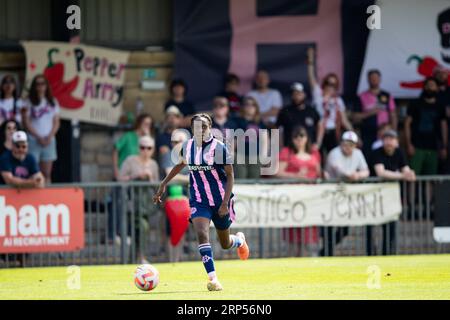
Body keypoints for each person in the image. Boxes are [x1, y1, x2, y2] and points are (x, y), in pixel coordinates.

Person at [153, 113, 250, 291]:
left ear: (210, 127)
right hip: (199, 199)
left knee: (225, 243)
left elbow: (230, 175)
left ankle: (239, 240)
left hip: (220, 200)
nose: (200, 130)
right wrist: (164, 183)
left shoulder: (219, 148)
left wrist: (224, 203)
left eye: (204, 126)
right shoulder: (188, 146)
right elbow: (180, 164)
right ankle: (213, 280)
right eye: (196, 127)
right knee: (201, 233)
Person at [368, 129, 416, 256]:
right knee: (370, 228)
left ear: (397, 142)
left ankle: (388, 254)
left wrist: (410, 173)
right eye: (386, 139)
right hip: (373, 196)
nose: (389, 142)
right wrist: (402, 176)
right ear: (382, 141)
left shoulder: (400, 152)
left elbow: (406, 169)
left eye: (392, 139)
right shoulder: (376, 153)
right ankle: (369, 254)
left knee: (390, 227)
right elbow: (381, 172)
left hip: (390, 198)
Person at [322, 131, 369, 257]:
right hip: (331, 194)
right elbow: (338, 169)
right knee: (329, 226)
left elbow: (366, 171)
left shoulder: (358, 154)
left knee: (344, 229)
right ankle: (327, 252)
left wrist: (358, 175)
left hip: (345, 195)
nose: (347, 147)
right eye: (345, 144)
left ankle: (325, 250)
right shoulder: (334, 153)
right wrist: (351, 175)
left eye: (350, 145)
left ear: (355, 146)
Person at [110, 113, 154, 245]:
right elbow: (115, 150)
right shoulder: (129, 136)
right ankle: (113, 234)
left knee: (134, 208)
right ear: (139, 123)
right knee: (117, 205)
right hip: (123, 177)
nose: (147, 126)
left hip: (137, 181)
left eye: (149, 124)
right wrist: (116, 171)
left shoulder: (147, 140)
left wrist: (147, 136)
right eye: (145, 123)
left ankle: (128, 235)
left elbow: (151, 153)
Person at [276, 126, 321, 257]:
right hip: (293, 197)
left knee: (309, 231)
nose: (299, 139)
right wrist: (296, 176)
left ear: (307, 138)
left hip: (310, 197)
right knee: (293, 232)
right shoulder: (287, 152)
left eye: (302, 136)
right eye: (296, 136)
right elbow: (279, 173)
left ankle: (310, 259)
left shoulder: (314, 152)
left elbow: (319, 172)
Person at [118, 135, 160, 264]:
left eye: (149, 148)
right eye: (143, 147)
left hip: (146, 204)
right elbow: (121, 179)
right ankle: (140, 257)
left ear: (152, 150)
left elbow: (156, 185)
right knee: (141, 227)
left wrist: (150, 177)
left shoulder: (153, 164)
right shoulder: (130, 160)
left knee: (141, 230)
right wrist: (136, 176)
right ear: (138, 148)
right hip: (131, 202)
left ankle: (133, 259)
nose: (145, 151)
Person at [307, 47, 353, 156]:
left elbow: (344, 120)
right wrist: (310, 59)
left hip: (332, 131)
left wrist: (353, 133)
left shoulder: (338, 100)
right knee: (317, 154)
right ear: (324, 83)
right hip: (318, 129)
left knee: (334, 155)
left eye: (334, 84)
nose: (330, 86)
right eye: (328, 83)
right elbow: (311, 76)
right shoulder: (318, 93)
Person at [404, 77, 448, 175]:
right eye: (428, 85)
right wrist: (409, 144)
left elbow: (443, 126)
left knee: (431, 178)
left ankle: (428, 192)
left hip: (434, 147)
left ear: (437, 88)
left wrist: (444, 147)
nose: (430, 88)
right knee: (412, 175)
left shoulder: (440, 106)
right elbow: (407, 124)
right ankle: (411, 192)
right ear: (424, 87)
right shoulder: (415, 103)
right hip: (417, 146)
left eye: (432, 86)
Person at [21, 75, 60, 183]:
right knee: (34, 171)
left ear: (47, 85)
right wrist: (38, 137)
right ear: (34, 86)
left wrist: (50, 136)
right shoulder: (28, 102)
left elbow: (56, 122)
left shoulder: (53, 102)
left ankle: (48, 196)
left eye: (43, 83)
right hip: (34, 140)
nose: (40, 86)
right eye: (38, 84)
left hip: (49, 140)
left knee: (47, 173)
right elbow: (26, 122)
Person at [160, 130, 190, 263]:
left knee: (183, 228)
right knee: (168, 229)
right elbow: (169, 176)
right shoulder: (167, 156)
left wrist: (176, 177)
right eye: (174, 141)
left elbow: (194, 177)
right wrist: (186, 178)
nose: (177, 144)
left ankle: (178, 259)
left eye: (180, 141)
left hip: (187, 198)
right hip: (168, 199)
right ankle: (170, 260)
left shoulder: (192, 156)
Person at [354, 69, 398, 156]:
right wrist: (371, 112)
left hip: (384, 132)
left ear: (380, 79)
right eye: (372, 78)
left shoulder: (386, 95)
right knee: (368, 155)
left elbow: (393, 114)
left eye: (376, 78)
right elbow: (355, 116)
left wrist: (394, 131)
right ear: (368, 79)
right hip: (368, 132)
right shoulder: (362, 96)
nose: (374, 80)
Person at [276, 82, 324, 149]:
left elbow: (320, 125)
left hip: (309, 149)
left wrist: (318, 143)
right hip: (289, 149)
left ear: (304, 94)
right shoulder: (285, 111)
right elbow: (278, 130)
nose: (296, 96)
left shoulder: (312, 111)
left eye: (299, 93)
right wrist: (280, 147)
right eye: (294, 94)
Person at [234, 96, 268, 179]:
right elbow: (233, 139)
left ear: (256, 108)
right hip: (240, 155)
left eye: (253, 105)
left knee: (254, 182)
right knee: (240, 181)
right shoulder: (237, 121)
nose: (250, 107)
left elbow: (265, 140)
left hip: (256, 156)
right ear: (243, 107)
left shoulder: (260, 122)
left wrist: (264, 155)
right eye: (247, 104)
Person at [434, 67, 450, 174]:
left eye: (444, 73)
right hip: (435, 132)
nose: (441, 75)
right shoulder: (429, 91)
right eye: (439, 73)